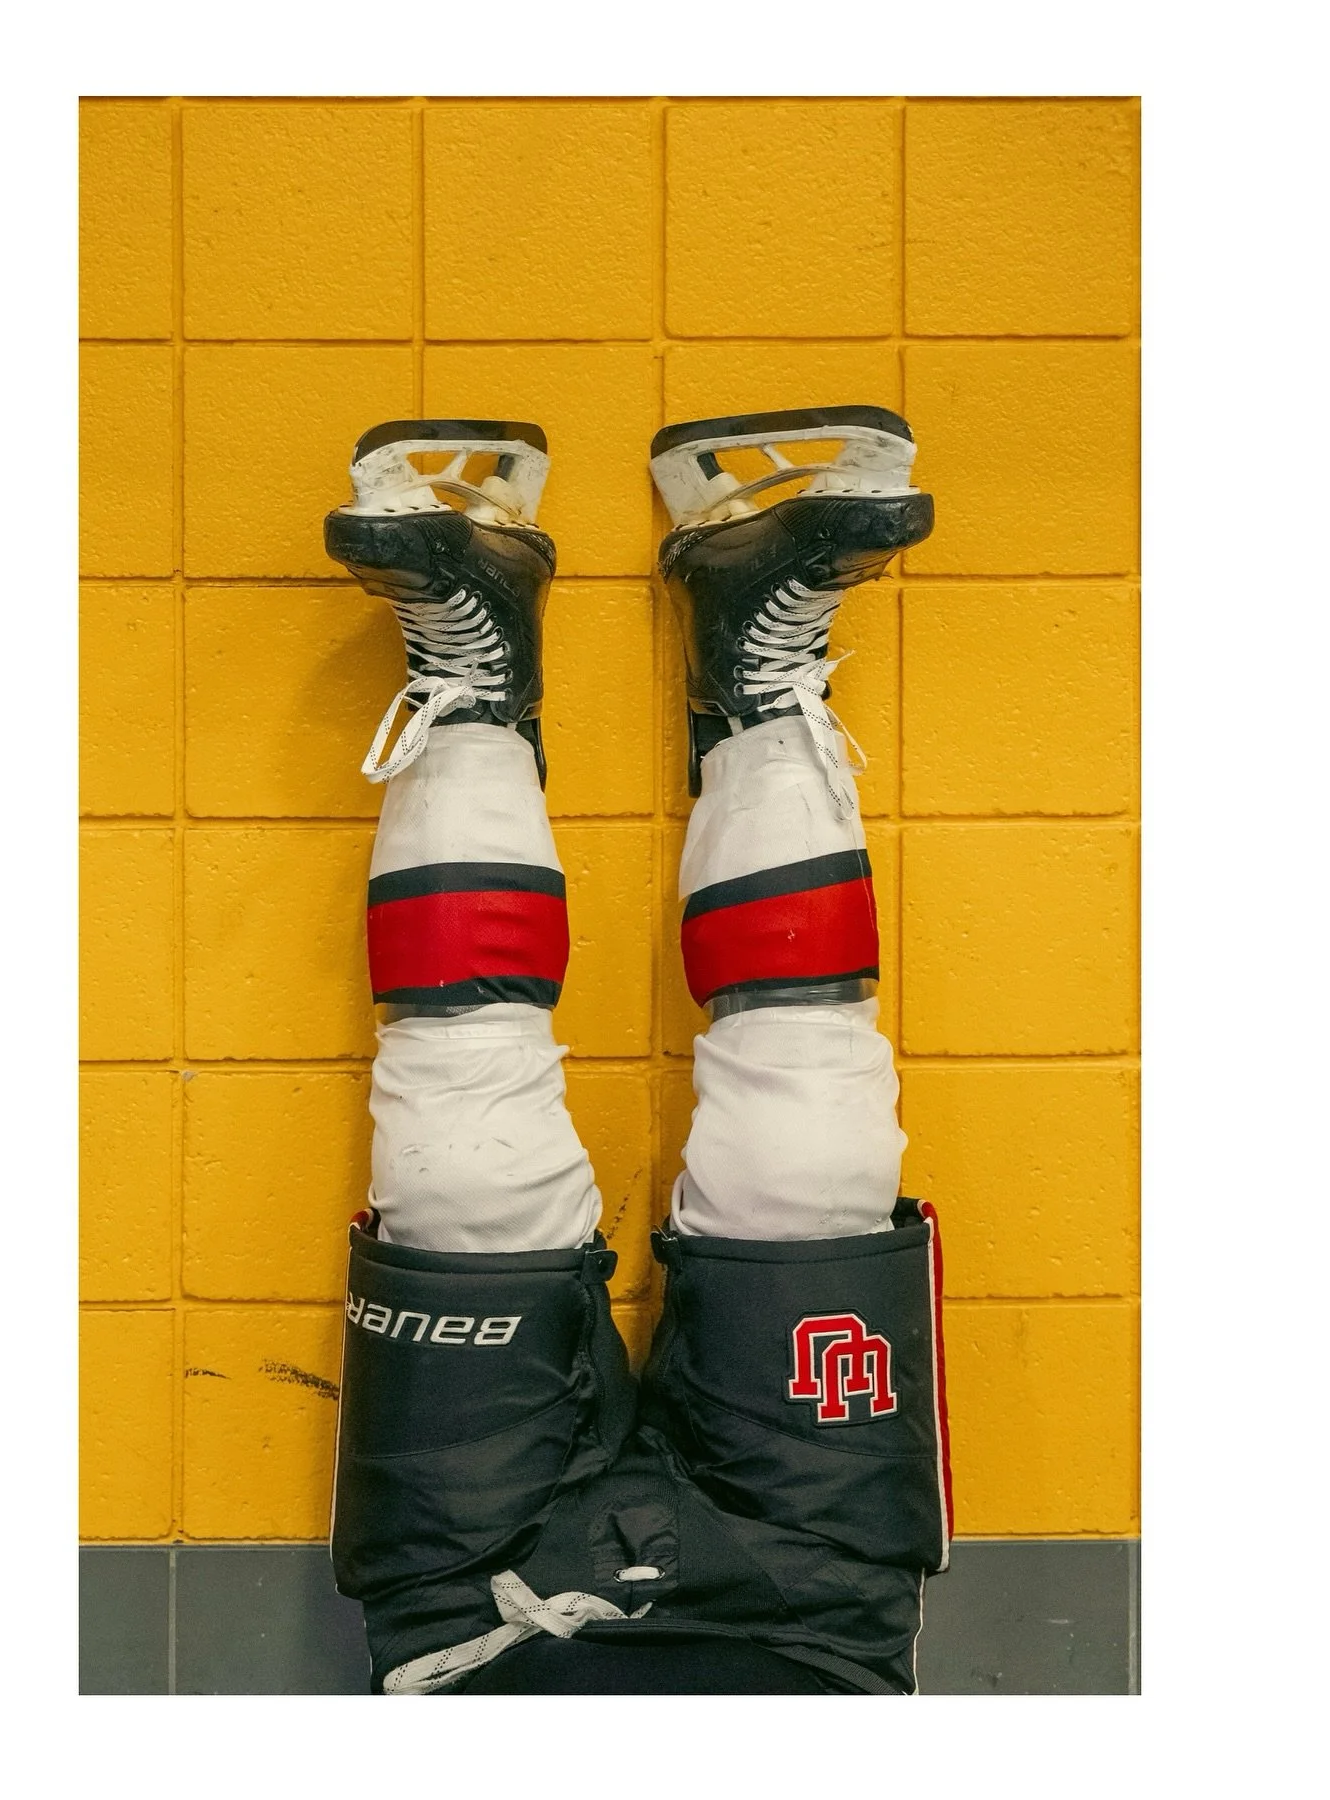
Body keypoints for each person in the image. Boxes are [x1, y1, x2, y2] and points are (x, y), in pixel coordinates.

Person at [325, 411, 952, 1695]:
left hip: (467, 1614)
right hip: (809, 1613)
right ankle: (761, 696)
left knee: (461, 1164)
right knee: (812, 1135)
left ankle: (475, 705)